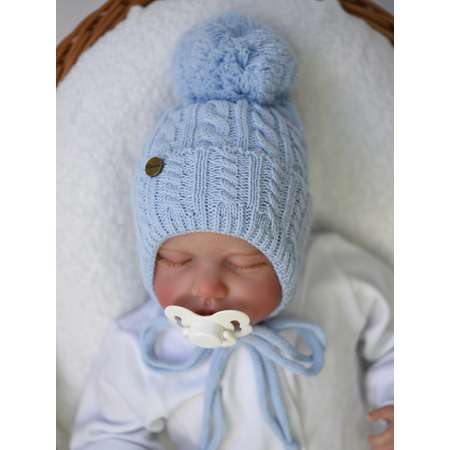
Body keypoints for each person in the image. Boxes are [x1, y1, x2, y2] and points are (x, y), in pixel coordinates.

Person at [69, 11, 394, 450]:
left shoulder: (339, 279)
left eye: (244, 263)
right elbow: (105, 433)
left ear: (290, 249)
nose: (207, 287)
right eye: (176, 260)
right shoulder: (144, 347)